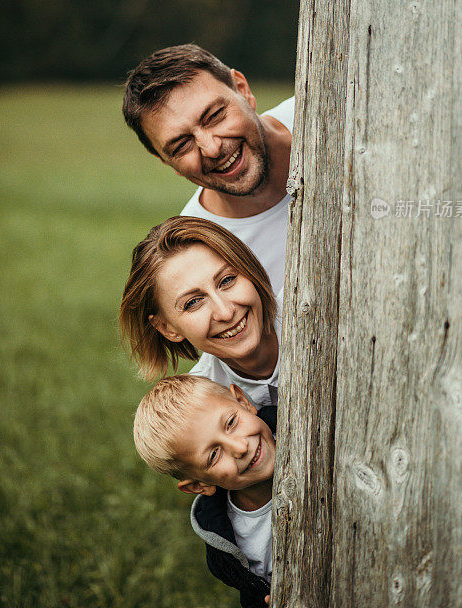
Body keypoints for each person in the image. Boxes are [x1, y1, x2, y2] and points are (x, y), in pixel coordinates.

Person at [122, 44, 294, 297]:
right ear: (165, 160)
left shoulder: (338, 112)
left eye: (214, 115)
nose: (212, 149)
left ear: (243, 90)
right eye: (182, 145)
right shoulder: (201, 254)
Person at [133, 375, 275, 608]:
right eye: (213, 455)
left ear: (243, 401)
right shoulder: (230, 545)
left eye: (231, 423)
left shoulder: (311, 430)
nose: (240, 447)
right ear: (200, 485)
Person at [119, 216, 280, 408]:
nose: (225, 312)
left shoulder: (318, 311)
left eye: (227, 280)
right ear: (167, 328)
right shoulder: (199, 408)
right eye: (193, 302)